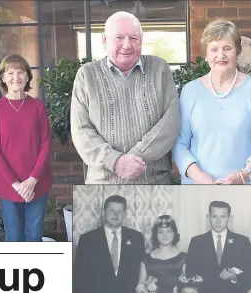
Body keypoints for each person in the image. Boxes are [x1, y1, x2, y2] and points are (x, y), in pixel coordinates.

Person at [71, 11, 180, 184]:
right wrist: (115, 161)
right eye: (119, 37)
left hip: (154, 183)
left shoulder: (160, 69)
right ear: (105, 41)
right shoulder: (87, 75)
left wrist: (133, 159)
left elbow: (170, 121)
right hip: (103, 185)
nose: (127, 45)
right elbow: (81, 130)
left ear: (141, 41)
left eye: (134, 38)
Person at [173, 20, 251, 185]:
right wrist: (198, 176)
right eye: (214, 49)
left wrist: (245, 174)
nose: (220, 55)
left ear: (237, 52)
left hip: (245, 187)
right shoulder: (190, 91)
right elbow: (180, 143)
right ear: (206, 55)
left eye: (227, 48)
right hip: (199, 187)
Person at [0, 54, 53, 241]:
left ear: (27, 77)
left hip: (37, 183)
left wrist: (31, 181)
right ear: (3, 78)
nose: (16, 77)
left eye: (20, 72)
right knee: (14, 237)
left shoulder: (38, 107)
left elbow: (46, 145)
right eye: (10, 73)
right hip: (8, 185)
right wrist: (17, 185)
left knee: (34, 236)